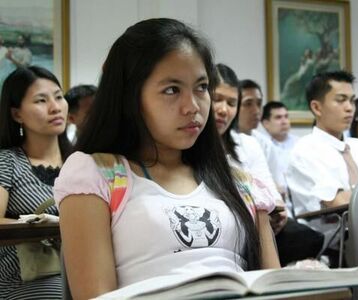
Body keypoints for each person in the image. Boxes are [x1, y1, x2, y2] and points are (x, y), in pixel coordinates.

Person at [53, 18, 280, 299]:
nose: (193, 106)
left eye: (201, 87)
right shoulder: (97, 173)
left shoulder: (238, 180)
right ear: (130, 97)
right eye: (171, 90)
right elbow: (95, 295)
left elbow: (273, 287)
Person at [213, 63, 323, 266]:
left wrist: (277, 213)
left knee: (309, 238)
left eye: (231, 103)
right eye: (216, 100)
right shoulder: (189, 147)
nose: (223, 110)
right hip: (227, 225)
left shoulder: (247, 144)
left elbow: (270, 192)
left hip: (264, 225)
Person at [285, 71, 358, 264]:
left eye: (352, 100)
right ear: (317, 107)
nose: (349, 108)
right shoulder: (305, 151)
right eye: (340, 100)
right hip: (336, 251)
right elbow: (337, 202)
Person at [0, 66, 71, 299]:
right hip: (28, 275)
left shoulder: (82, 162)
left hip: (82, 266)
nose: (55, 107)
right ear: (17, 114)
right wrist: (39, 223)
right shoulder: (7, 161)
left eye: (59, 97)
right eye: (41, 100)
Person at [261, 101, 299, 194]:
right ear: (266, 123)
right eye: (278, 117)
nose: (284, 121)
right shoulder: (261, 146)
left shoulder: (301, 144)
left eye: (286, 116)